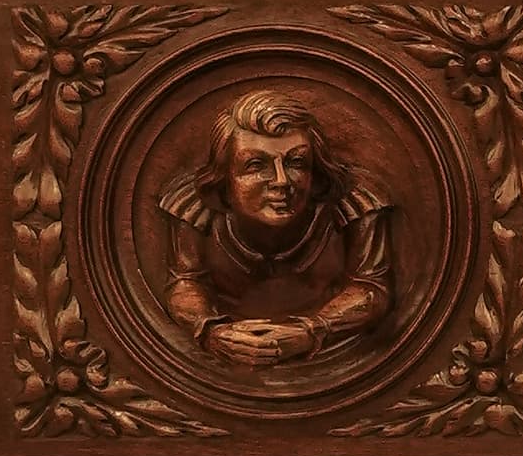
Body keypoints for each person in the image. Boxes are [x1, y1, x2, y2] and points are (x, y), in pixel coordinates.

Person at [160, 90, 393, 369]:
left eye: (296, 163)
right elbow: (185, 282)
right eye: (256, 165)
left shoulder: (355, 206)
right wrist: (211, 331)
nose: (282, 181)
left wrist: (313, 330)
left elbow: (371, 288)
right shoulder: (193, 208)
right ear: (224, 177)